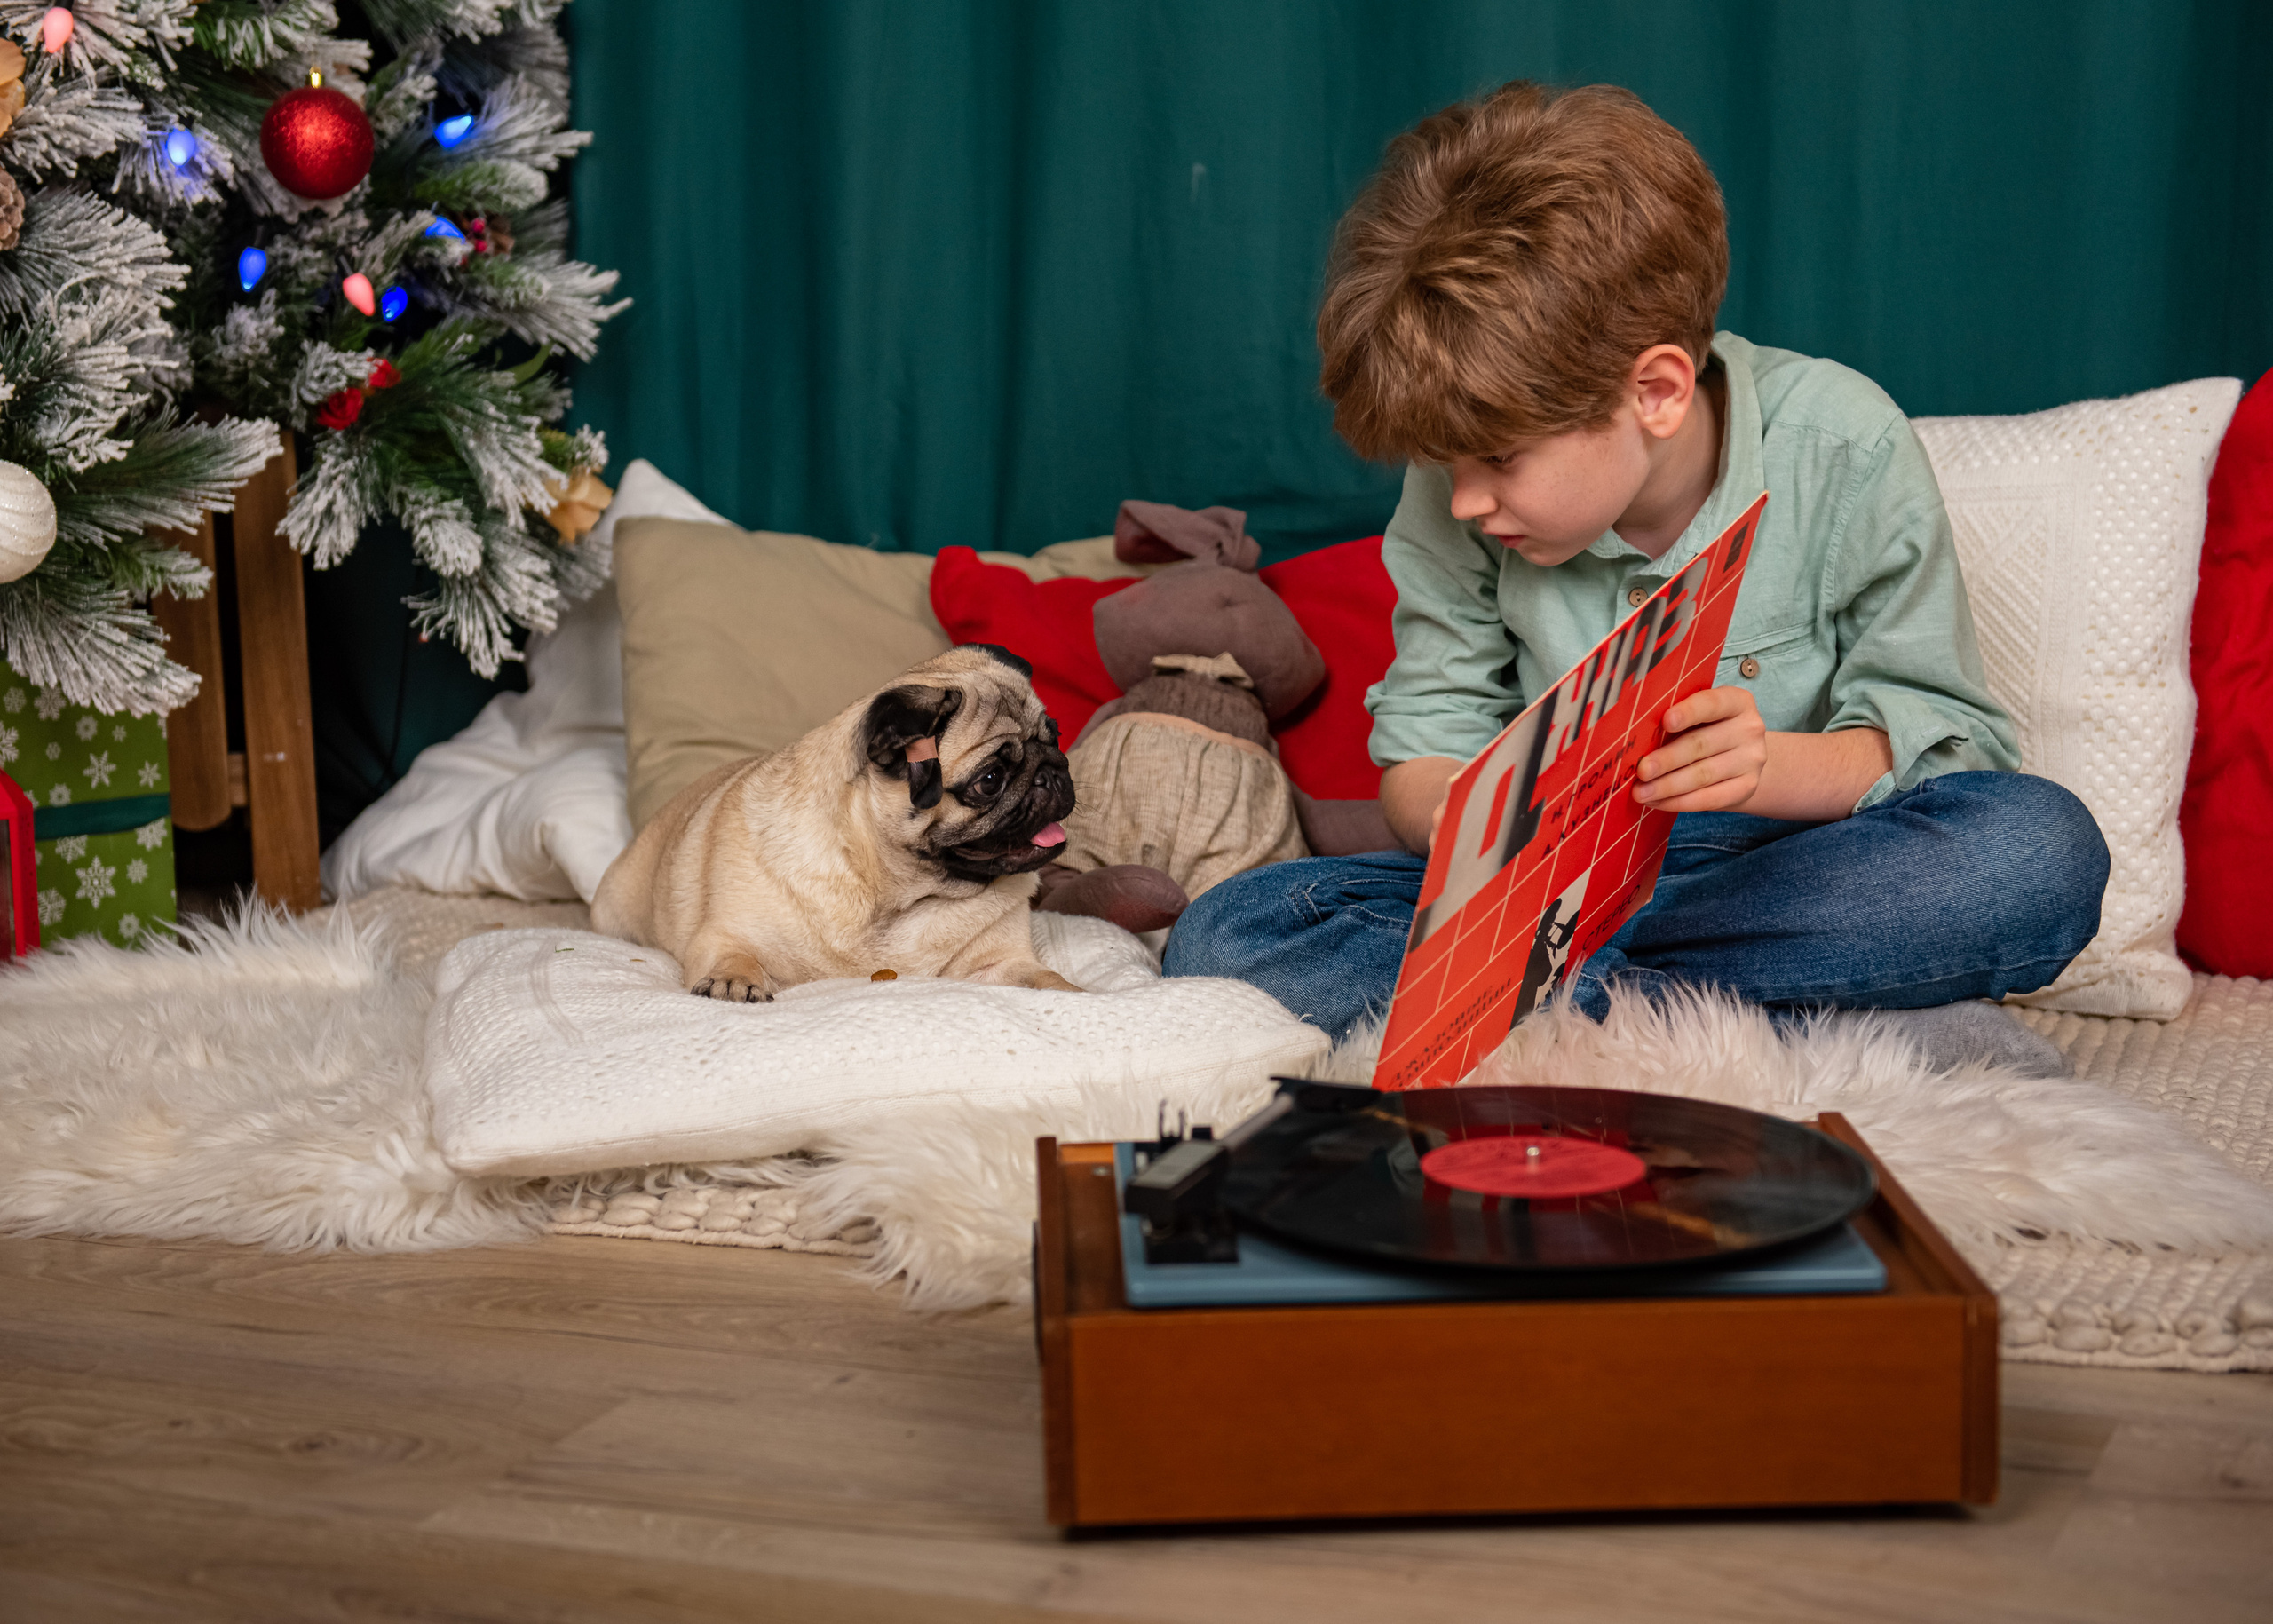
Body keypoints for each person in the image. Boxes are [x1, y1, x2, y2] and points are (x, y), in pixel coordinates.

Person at [1163, 81, 2108, 1074]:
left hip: (1785, 871)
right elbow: (1421, 751)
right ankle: (1820, 1020)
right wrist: (1455, 810)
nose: (1466, 501)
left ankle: (1610, 1009)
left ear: (1652, 391)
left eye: (1498, 460)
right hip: (1540, 900)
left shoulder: (1843, 440)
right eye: (1449, 467)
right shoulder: (1451, 493)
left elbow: (1944, 748)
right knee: (1230, 931)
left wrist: (1769, 768)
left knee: (2037, 845)